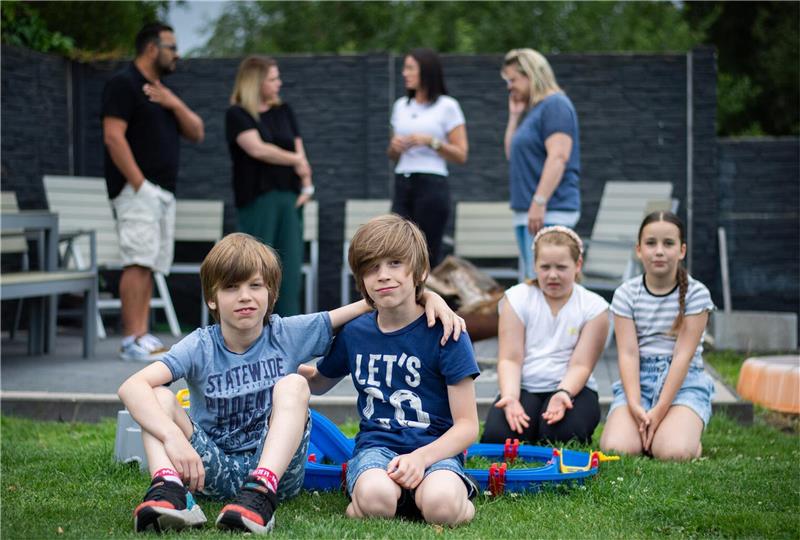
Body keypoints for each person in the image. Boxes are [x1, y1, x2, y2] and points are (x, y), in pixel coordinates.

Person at [117, 232, 464, 534]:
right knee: (158, 397)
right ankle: (168, 490)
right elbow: (131, 386)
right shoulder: (199, 345)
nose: (245, 297)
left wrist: (429, 297)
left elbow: (375, 301)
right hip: (210, 468)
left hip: (276, 472)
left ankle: (259, 494)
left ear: (271, 293)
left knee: (293, 384)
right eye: (231, 288)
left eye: (255, 286)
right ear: (212, 298)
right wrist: (172, 438)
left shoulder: (287, 333)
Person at [301, 215, 479, 527]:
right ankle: (373, 500)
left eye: (395, 263)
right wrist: (283, 366)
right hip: (376, 450)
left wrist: (421, 459)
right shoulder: (355, 333)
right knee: (376, 500)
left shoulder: (447, 332)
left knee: (442, 508)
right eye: (372, 267)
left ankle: (454, 497)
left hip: (435, 451)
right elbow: (318, 383)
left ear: (421, 270)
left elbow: (467, 427)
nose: (383, 275)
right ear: (361, 278)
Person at [102, 22, 204, 361]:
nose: (177, 54)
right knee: (136, 261)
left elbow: (197, 131)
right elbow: (113, 136)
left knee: (149, 263)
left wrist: (173, 102)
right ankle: (131, 337)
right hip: (138, 192)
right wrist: (139, 184)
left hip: (163, 193)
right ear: (151, 48)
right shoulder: (124, 84)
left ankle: (142, 334)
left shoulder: (160, 92)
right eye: (172, 47)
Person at [599, 211, 715, 461]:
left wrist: (660, 410)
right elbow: (628, 354)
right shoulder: (626, 294)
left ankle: (684, 438)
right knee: (616, 449)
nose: (659, 251)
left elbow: (683, 356)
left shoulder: (697, 294)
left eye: (668, 243)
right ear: (639, 250)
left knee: (673, 452)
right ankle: (653, 428)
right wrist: (634, 405)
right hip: (639, 382)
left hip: (684, 383)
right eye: (651, 243)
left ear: (682, 250)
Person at [480, 226, 609, 446]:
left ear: (577, 266)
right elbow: (510, 358)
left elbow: (581, 365)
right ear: (534, 266)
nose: (552, 275)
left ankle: (545, 424)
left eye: (561, 267)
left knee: (563, 435)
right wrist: (509, 396)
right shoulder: (517, 298)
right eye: (545, 267)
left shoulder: (594, 307)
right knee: (498, 437)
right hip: (525, 386)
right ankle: (530, 423)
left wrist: (563, 393)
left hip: (572, 388)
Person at [226, 55, 313, 316]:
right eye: (273, 79)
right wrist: (295, 160)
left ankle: (287, 330)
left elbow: (299, 149)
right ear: (256, 82)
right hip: (258, 200)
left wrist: (307, 185)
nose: (279, 83)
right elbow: (257, 149)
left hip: (290, 198)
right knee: (255, 267)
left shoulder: (284, 111)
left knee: (289, 268)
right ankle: (253, 328)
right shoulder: (237, 114)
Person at [502, 48, 580, 278]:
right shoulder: (535, 111)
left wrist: (539, 201)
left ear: (531, 74)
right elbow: (511, 155)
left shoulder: (556, 105)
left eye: (513, 79)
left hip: (549, 212)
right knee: (532, 287)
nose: (509, 86)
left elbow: (559, 156)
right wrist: (514, 116)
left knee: (545, 286)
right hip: (533, 213)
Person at [388, 48, 468, 267]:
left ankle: (427, 300)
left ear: (426, 71)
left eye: (410, 68)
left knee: (427, 252)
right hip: (403, 181)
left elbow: (461, 154)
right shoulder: (400, 107)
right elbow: (392, 155)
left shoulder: (447, 106)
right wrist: (395, 147)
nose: (405, 73)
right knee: (398, 248)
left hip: (432, 184)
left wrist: (430, 141)